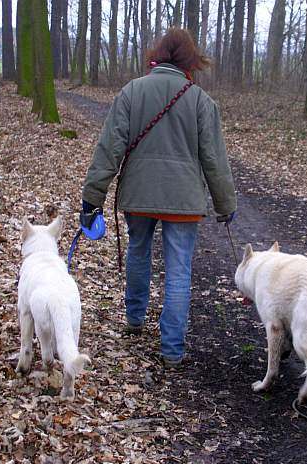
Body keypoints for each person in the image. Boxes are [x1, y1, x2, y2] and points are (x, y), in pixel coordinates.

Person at [81, 28, 237, 368]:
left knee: (139, 253)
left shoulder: (132, 92)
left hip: (139, 195)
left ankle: (135, 320)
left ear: (158, 55)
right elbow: (214, 159)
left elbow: (109, 149)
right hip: (183, 200)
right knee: (178, 271)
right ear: (190, 62)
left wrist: (92, 198)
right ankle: (172, 350)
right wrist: (226, 205)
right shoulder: (200, 101)